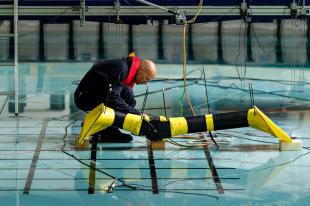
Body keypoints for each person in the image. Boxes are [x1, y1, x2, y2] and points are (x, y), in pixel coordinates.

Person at [74, 55, 157, 143]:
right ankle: (100, 127)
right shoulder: (121, 68)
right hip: (84, 98)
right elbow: (112, 98)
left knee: (128, 94)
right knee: (124, 96)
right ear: (141, 70)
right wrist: (135, 113)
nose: (145, 83)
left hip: (95, 94)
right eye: (147, 79)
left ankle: (104, 128)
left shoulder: (125, 67)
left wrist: (133, 112)